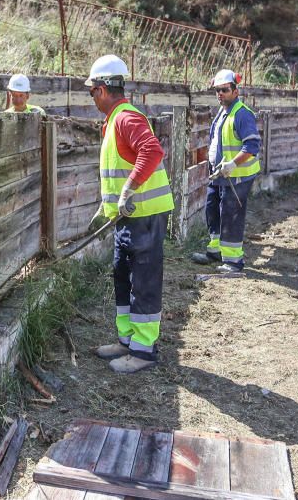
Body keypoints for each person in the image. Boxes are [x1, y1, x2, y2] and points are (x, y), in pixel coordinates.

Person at [85, 54, 174, 374]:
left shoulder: (126, 118)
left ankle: (144, 351)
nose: (92, 98)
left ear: (102, 90)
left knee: (143, 282)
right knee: (123, 277)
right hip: (128, 218)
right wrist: (108, 204)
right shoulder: (114, 121)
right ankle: (127, 340)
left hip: (145, 215)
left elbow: (152, 151)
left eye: (91, 91)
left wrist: (128, 190)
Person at [190, 69, 262, 274]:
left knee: (231, 214)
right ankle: (215, 252)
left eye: (224, 90)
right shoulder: (223, 112)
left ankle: (233, 262)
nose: (220, 94)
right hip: (220, 175)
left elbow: (252, 146)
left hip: (237, 176)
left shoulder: (242, 114)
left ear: (235, 91)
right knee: (212, 210)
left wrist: (232, 164)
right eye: (217, 90)